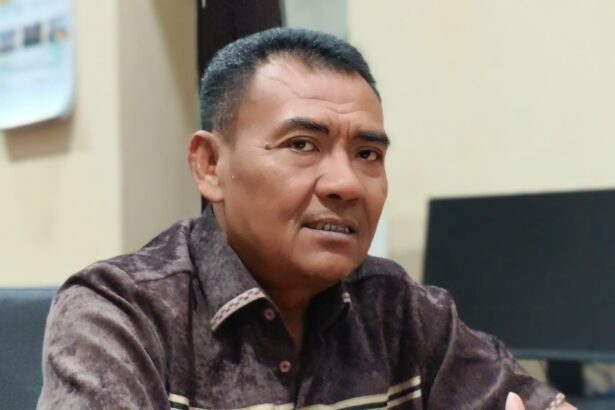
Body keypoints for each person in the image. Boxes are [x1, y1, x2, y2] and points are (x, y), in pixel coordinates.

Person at [38, 28, 575, 410]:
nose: (345, 183)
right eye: (302, 144)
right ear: (210, 165)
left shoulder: (400, 308)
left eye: (367, 154)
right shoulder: (122, 311)